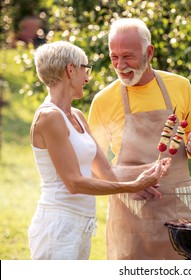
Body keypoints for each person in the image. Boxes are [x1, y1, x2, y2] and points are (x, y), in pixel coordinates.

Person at [29, 41, 170, 260]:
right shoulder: (49, 117)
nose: (88, 76)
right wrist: (132, 186)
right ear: (70, 70)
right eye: (86, 68)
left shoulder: (76, 115)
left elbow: (106, 170)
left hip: (81, 224)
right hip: (57, 226)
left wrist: (151, 169)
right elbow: (74, 183)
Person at [87, 18, 191, 260]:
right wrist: (126, 182)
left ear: (149, 52)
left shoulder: (180, 86)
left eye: (128, 57)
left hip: (178, 209)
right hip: (131, 210)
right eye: (114, 57)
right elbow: (92, 163)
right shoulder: (103, 100)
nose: (120, 66)